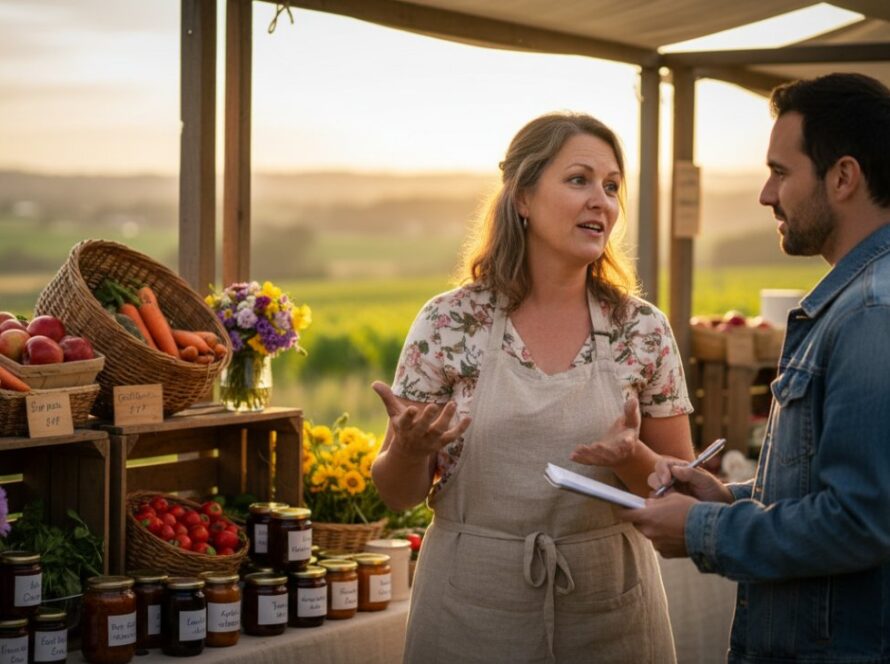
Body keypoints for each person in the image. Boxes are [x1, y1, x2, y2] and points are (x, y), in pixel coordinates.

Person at [371, 111, 695, 663]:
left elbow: (682, 492)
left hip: (610, 610)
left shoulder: (641, 329)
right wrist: (407, 448)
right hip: (471, 608)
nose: (603, 201)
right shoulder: (449, 322)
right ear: (522, 196)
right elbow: (399, 494)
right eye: (579, 180)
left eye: (612, 186)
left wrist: (632, 455)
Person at [623, 72, 890, 663]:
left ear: (843, 177)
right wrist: (728, 497)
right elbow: (834, 488)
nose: (766, 195)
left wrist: (701, 531)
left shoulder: (871, 313)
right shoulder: (857, 302)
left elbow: (860, 520)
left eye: (780, 172)